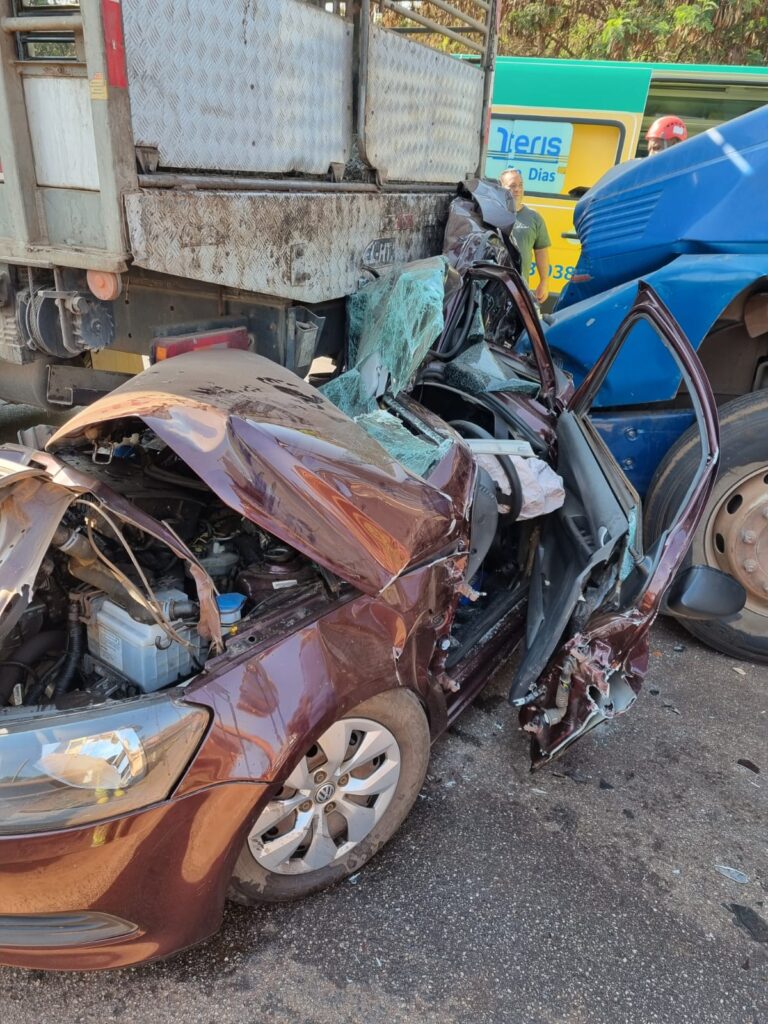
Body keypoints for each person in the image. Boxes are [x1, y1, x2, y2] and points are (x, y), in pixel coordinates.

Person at [498, 167, 551, 304]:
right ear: (501, 187)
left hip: (520, 289)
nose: (517, 189)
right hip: (494, 286)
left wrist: (544, 281)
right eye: (512, 186)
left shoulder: (534, 218)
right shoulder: (493, 215)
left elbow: (541, 252)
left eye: (520, 185)